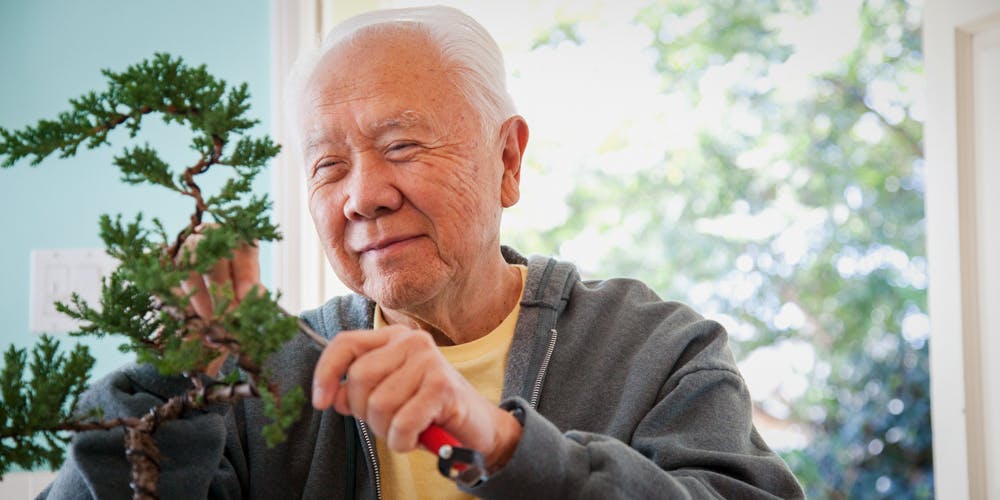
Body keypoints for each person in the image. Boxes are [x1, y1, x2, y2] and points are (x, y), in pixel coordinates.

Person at [41, 5, 804, 499]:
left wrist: (505, 445)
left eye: (401, 144)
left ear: (507, 160)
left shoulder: (659, 349)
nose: (362, 195)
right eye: (327, 166)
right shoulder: (259, 381)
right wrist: (171, 394)